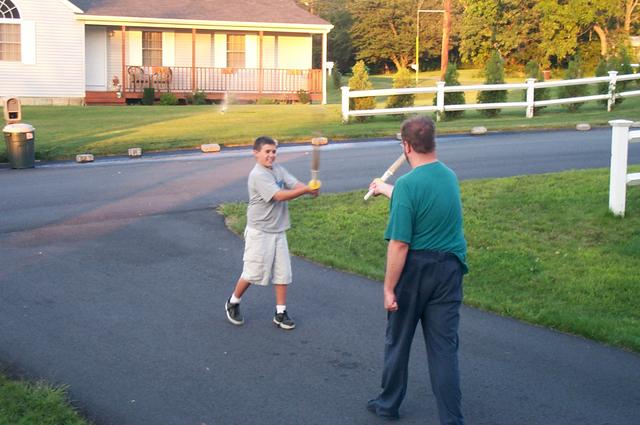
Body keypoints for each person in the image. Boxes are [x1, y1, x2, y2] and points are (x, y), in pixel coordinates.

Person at [366, 116, 468, 424]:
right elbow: (419, 198)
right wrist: (386, 189)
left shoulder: (408, 185)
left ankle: (388, 405)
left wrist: (388, 289)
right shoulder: (448, 176)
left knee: (398, 340)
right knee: (444, 350)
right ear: (432, 142)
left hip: (415, 272)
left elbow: (399, 245)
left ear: (407, 146)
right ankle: (452, 420)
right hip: (449, 270)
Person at [225, 136, 319, 330]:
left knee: (282, 273)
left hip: (278, 229)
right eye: (267, 151)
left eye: (274, 151)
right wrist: (305, 191)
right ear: (256, 153)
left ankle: (280, 313)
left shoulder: (278, 169)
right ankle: (233, 302)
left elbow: (293, 184)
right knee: (252, 273)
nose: (271, 155)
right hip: (260, 231)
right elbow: (279, 195)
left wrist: (310, 190)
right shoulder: (258, 175)